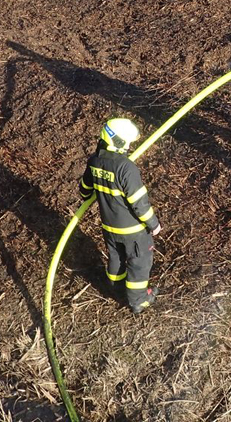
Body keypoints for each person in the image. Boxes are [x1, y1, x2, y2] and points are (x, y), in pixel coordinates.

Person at [79, 118, 161, 314]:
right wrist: (153, 224)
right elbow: (139, 203)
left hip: (109, 228)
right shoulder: (126, 167)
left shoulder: (94, 161)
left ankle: (115, 290)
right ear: (119, 141)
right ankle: (138, 300)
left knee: (115, 258)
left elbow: (84, 192)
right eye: (128, 143)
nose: (130, 147)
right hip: (133, 231)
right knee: (139, 263)